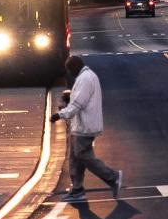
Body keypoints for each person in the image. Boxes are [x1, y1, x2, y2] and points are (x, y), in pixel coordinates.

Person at [50, 55, 123, 201]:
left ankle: (112, 177)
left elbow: (78, 104)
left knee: (83, 156)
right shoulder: (87, 77)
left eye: (69, 70)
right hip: (79, 126)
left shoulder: (85, 79)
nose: (69, 73)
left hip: (85, 126)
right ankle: (77, 189)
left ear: (74, 67)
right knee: (75, 158)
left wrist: (60, 115)